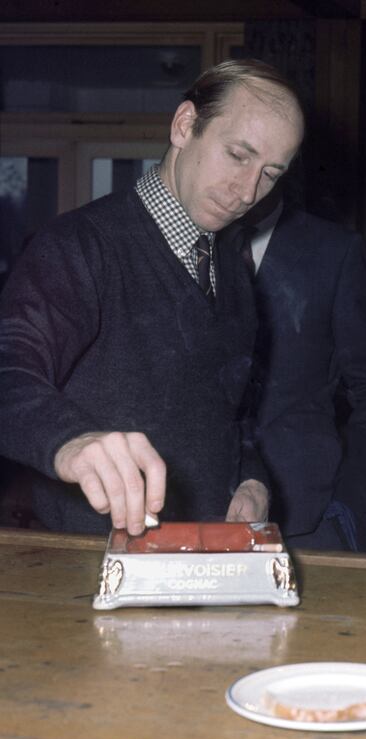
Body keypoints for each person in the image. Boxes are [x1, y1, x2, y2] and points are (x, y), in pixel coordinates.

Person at [0, 59, 304, 536]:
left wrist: (251, 478)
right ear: (185, 126)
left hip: (206, 559)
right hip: (90, 566)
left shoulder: (233, 271)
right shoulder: (78, 246)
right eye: (238, 155)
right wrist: (70, 442)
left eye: (270, 174)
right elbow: (9, 369)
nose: (248, 192)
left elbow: (233, 412)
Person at [225, 187, 366, 554]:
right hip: (192, 506)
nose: (249, 180)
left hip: (304, 514)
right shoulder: (190, 239)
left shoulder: (332, 251)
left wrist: (351, 466)